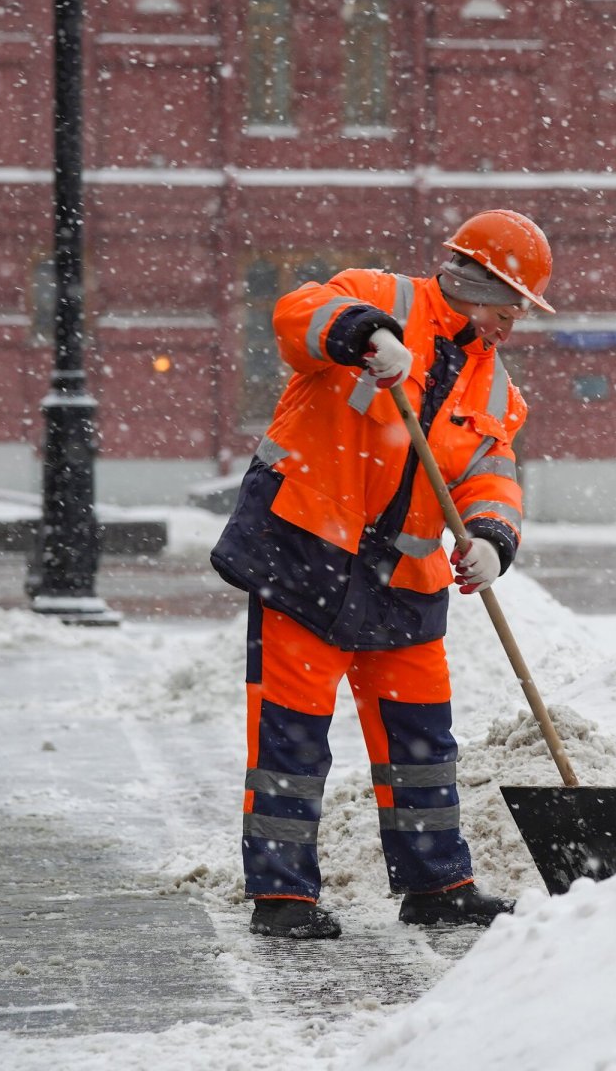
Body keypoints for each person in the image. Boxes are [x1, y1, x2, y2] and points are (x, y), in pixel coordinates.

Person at [210, 209, 550, 939]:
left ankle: (437, 885)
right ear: (472, 282)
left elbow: (493, 473)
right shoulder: (379, 296)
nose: (513, 323)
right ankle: (283, 897)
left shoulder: (498, 391)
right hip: (305, 553)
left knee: (421, 741)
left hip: (405, 580)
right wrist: (365, 334)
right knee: (290, 738)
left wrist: (493, 537)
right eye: (509, 303)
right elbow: (297, 315)